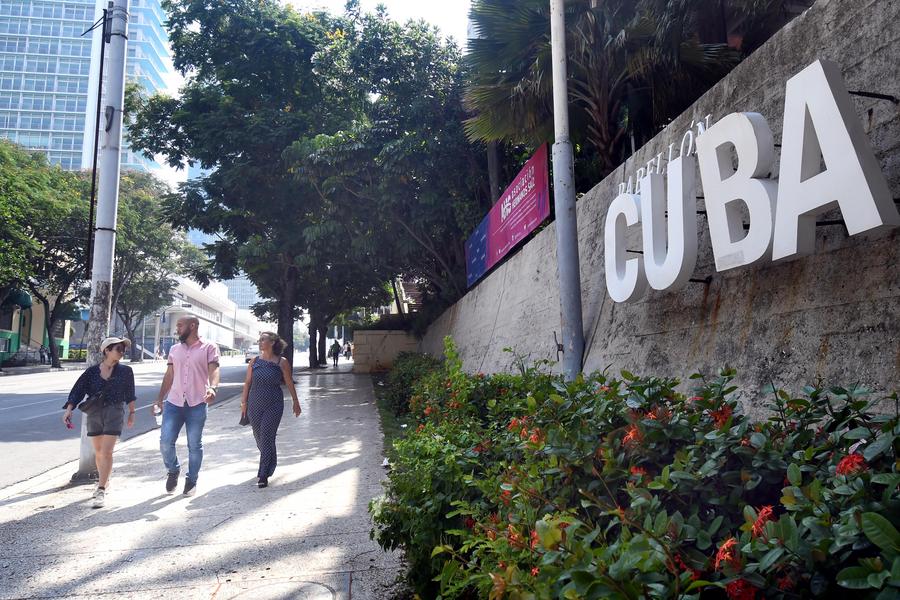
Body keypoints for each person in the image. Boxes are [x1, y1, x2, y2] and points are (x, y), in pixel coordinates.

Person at [62, 337, 136, 508]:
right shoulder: (92, 372)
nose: (121, 352)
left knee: (107, 451)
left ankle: (100, 488)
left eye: (123, 349)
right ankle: (105, 479)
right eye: (118, 348)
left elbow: (130, 393)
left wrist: (132, 412)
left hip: (115, 411)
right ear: (107, 350)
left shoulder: (126, 371)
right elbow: (78, 390)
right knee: (98, 452)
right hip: (94, 412)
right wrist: (69, 409)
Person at [154, 316, 220, 497]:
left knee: (194, 445)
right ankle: (173, 470)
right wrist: (160, 398)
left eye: (180, 325)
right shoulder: (174, 349)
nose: (177, 329)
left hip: (197, 403)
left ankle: (191, 480)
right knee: (165, 442)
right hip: (174, 403)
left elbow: (214, 370)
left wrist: (213, 388)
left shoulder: (209, 347)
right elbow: (169, 375)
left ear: (193, 326)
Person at [239, 332, 301, 488]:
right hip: (254, 404)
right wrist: (244, 403)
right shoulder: (254, 362)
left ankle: (263, 474)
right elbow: (247, 383)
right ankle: (270, 462)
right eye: (259, 340)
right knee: (260, 438)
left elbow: (289, 383)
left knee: (267, 436)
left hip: (273, 404)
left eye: (263, 340)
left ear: (272, 342)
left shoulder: (282, 362)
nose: (260, 342)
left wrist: (295, 401)